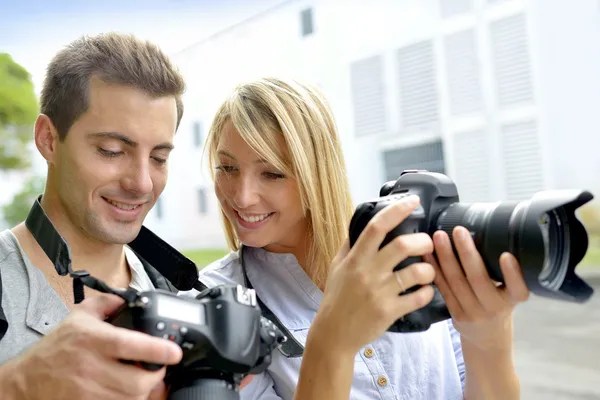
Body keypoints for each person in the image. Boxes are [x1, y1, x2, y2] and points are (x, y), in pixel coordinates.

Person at [191, 77, 531, 399]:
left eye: (272, 173)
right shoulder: (214, 302)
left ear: (318, 172)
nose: (242, 196)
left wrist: (489, 338)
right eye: (227, 168)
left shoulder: (411, 247)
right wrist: (333, 342)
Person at [0, 32, 187, 399]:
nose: (142, 183)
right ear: (48, 139)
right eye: (112, 151)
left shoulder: (177, 293)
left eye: (159, 158)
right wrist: (19, 385)